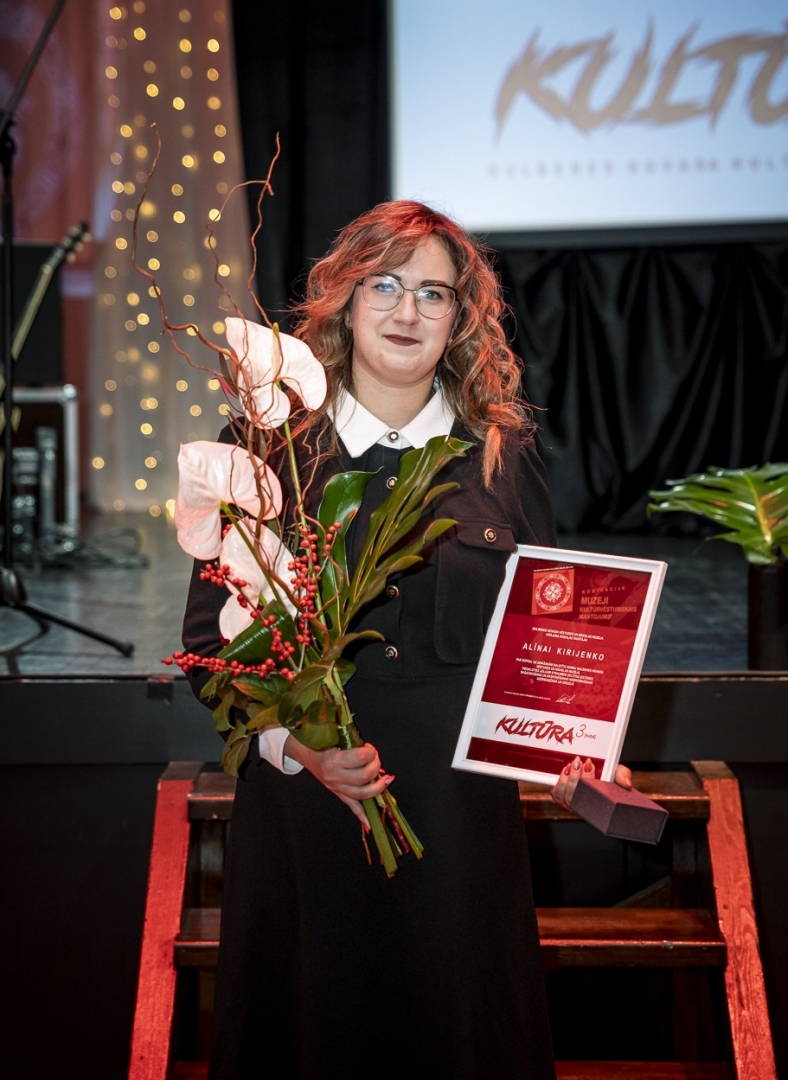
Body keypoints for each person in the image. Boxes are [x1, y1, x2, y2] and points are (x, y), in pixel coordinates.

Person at [182, 200, 631, 1079]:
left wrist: (567, 741)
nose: (406, 311)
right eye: (384, 286)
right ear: (346, 301)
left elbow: (544, 632)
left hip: (462, 826)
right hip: (311, 818)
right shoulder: (266, 448)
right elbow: (210, 645)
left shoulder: (502, 450)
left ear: (459, 318)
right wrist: (303, 751)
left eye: (433, 293)